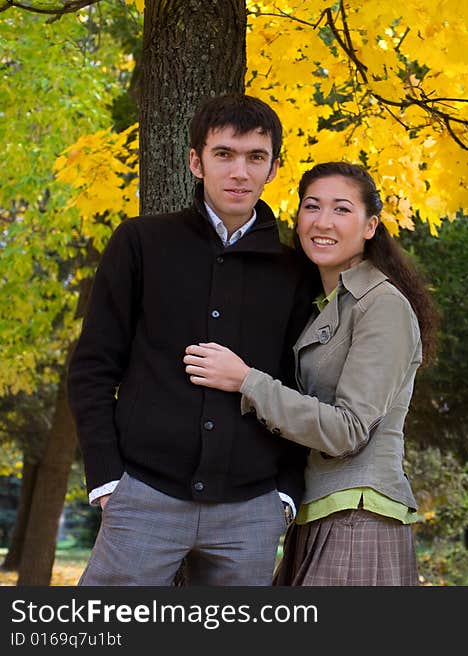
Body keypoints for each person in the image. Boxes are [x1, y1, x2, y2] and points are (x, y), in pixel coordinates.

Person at [67, 93, 317, 586]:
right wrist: (107, 479)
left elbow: (302, 386)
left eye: (255, 157)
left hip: (252, 507)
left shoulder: (295, 270)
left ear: (274, 169)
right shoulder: (140, 243)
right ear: (195, 162)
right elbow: (93, 366)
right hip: (142, 494)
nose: (239, 172)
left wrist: (284, 495)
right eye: (224, 154)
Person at [182, 161, 439, 586]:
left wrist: (246, 380)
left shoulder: (382, 305)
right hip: (317, 511)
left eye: (341, 210)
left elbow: (348, 430)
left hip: (359, 514)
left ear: (370, 226)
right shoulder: (327, 303)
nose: (323, 222)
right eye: (312, 206)